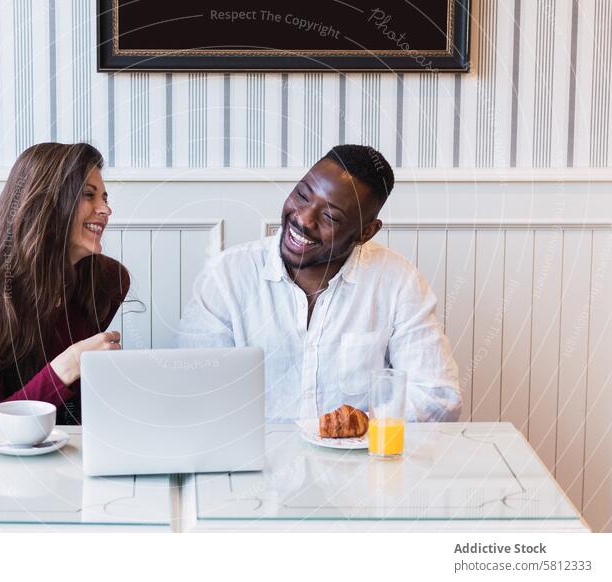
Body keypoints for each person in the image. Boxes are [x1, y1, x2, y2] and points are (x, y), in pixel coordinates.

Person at [178, 144, 461, 423]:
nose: (303, 218)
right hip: (252, 461)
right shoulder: (226, 277)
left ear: (365, 232)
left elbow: (437, 398)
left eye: (330, 217)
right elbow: (196, 391)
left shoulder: (399, 282)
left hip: (359, 464)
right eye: (302, 195)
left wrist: (353, 427)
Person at [0, 142, 128, 423]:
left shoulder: (107, 283)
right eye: (88, 195)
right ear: (48, 205)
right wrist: (67, 366)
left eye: (104, 197)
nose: (105, 209)